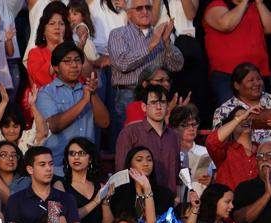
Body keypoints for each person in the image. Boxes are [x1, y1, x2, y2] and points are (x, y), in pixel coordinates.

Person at [107, 0, 183, 142]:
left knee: (154, 142)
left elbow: (176, 65)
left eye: (148, 7)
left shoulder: (160, 35)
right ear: (129, 14)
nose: (145, 11)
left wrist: (166, 43)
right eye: (139, 8)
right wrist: (151, 45)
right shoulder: (118, 34)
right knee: (126, 142)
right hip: (127, 95)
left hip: (155, 96)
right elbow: (122, 64)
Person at [37, 42, 109, 170]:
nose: (74, 65)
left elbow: (104, 123)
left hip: (87, 166)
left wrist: (92, 95)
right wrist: (84, 101)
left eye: (77, 61)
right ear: (56, 67)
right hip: (59, 167)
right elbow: (55, 125)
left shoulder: (87, 90)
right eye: (67, 61)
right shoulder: (46, 93)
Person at [4, 145, 81, 223]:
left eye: (51, 164)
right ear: (30, 169)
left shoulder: (67, 199)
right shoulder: (16, 200)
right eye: (42, 165)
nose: (48, 169)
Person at [115, 85, 182, 195]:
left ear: (168, 106)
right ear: (144, 107)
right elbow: (121, 172)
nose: (159, 107)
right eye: (153, 102)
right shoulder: (129, 133)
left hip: (168, 199)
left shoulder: (174, 136)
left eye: (163, 102)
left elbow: (176, 171)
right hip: (138, 198)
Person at [204, 0, 271, 106]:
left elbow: (269, 28)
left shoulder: (255, 6)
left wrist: (260, 3)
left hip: (257, 74)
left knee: (261, 117)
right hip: (228, 75)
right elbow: (226, 25)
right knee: (233, 114)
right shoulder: (216, 5)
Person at [213, 63, 271, 143]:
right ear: (237, 85)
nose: (257, 83)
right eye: (251, 80)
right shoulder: (224, 110)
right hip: (242, 154)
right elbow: (217, 141)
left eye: (259, 79)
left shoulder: (269, 100)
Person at [234, 142, 271, 223]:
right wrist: (266, 196)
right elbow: (239, 220)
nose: (264, 159)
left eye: (269, 155)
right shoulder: (245, 188)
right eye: (260, 156)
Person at [207, 107, 259, 191]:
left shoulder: (261, 149)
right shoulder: (226, 150)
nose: (245, 119)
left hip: (259, 202)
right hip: (231, 202)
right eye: (239, 117)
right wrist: (240, 118)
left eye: (248, 116)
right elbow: (211, 142)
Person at [26, 3, 72, 89]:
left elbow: (82, 79)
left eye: (61, 24)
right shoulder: (35, 53)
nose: (57, 27)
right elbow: (40, 79)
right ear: (43, 30)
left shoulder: (72, 52)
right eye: (52, 23)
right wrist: (59, 51)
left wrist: (80, 48)